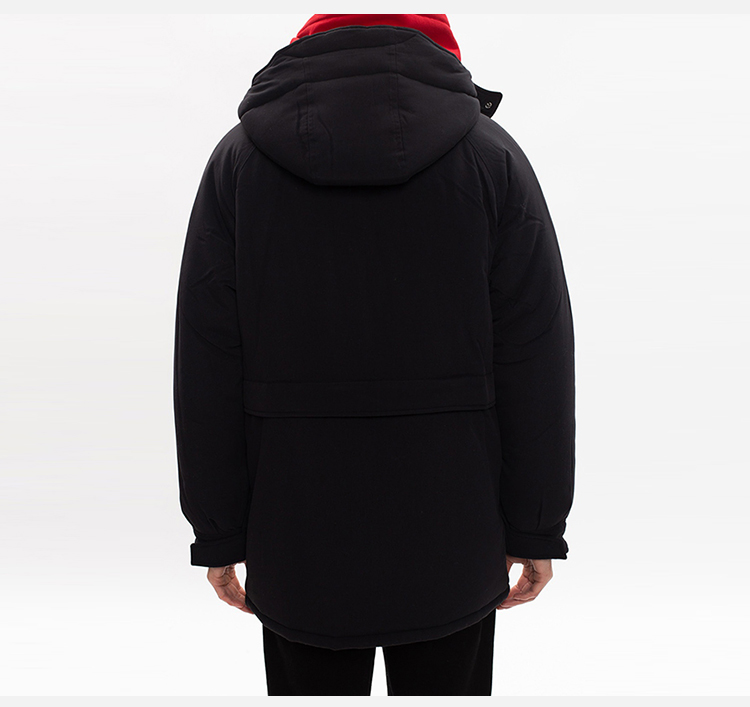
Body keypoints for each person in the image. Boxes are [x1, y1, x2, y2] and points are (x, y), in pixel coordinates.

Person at [173, 13, 576, 696]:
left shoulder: (240, 161)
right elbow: (536, 355)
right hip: (454, 522)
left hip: (296, 524)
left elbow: (207, 359)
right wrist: (535, 524)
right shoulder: (492, 156)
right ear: (440, 55)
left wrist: (219, 529)